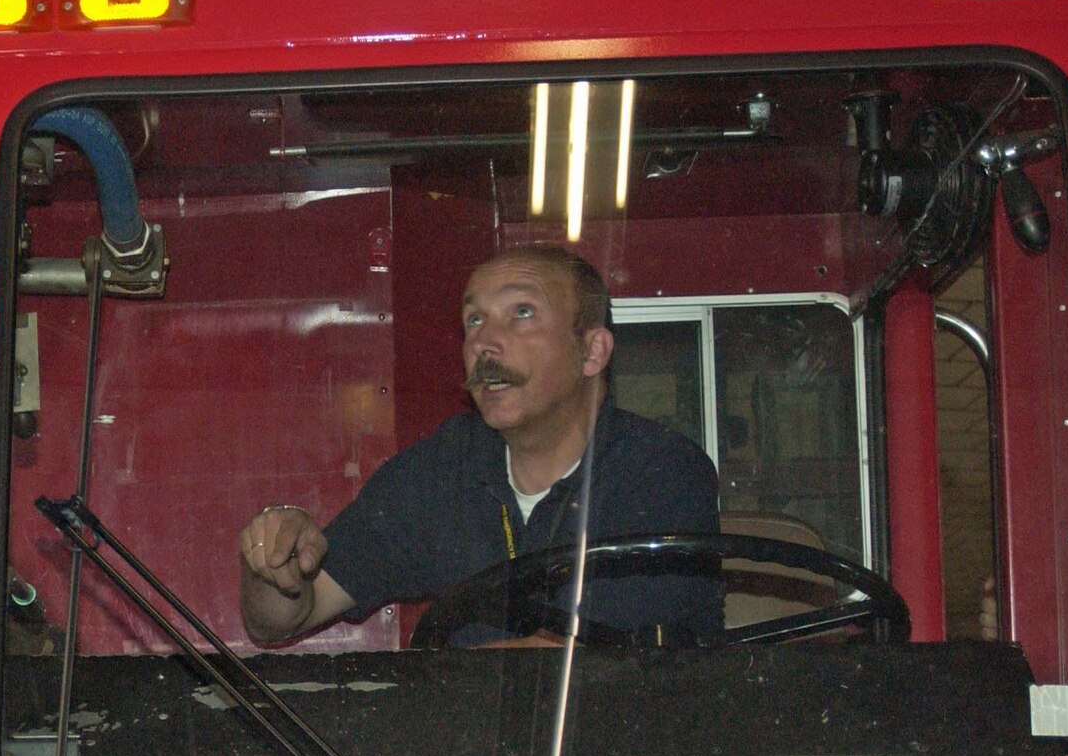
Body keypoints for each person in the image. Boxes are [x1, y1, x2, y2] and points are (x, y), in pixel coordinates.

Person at [239, 247, 721, 647]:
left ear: (592, 351)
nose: (485, 343)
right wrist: (275, 565)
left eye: (522, 313)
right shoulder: (446, 465)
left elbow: (589, 666)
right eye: (473, 320)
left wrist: (433, 681)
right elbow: (277, 621)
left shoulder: (663, 471)